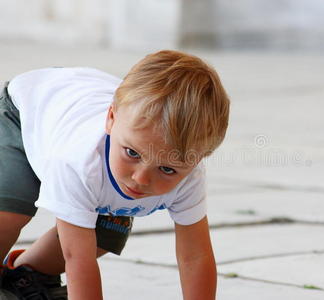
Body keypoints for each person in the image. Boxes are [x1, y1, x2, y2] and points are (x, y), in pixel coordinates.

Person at [0, 50, 230, 300]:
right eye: (132, 153)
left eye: (167, 169)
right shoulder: (79, 160)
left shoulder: (190, 178)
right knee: (10, 212)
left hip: (72, 112)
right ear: (111, 119)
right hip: (25, 112)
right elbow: (78, 258)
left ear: (198, 160)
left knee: (106, 233)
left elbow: (195, 256)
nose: (141, 179)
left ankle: (25, 275)